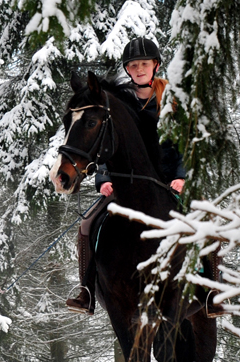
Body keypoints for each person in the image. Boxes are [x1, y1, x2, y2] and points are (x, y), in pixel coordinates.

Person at [66, 37, 186, 315]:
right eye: (133, 65)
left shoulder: (173, 98)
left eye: (144, 63)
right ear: (128, 69)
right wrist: (104, 178)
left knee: (207, 222)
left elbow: (185, 141)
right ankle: (86, 290)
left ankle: (211, 290)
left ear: (155, 65)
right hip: (129, 183)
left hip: (170, 181)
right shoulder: (117, 102)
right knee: (87, 224)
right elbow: (107, 145)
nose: (139, 69)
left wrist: (180, 176)